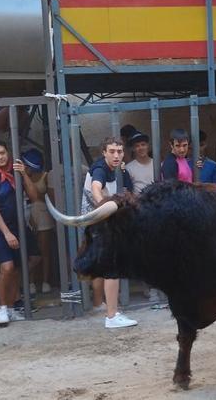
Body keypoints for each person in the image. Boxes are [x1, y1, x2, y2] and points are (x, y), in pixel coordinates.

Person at [0, 140, 41, 325]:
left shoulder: (16, 171)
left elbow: (34, 197)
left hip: (18, 225)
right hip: (0, 228)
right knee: (6, 267)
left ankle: (13, 307)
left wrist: (23, 173)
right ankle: (2, 308)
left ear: (8, 152)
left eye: (2, 153)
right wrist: (7, 233)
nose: (0, 157)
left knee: (17, 268)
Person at [81, 137, 137, 329]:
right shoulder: (100, 169)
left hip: (100, 225)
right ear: (103, 152)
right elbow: (97, 188)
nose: (116, 155)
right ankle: (112, 316)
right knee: (112, 268)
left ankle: (102, 306)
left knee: (104, 268)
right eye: (112, 151)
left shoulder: (115, 170)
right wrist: (103, 204)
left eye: (119, 151)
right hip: (99, 225)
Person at [22, 148, 53, 295]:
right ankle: (31, 282)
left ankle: (46, 281)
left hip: (43, 214)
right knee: (31, 251)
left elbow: (48, 198)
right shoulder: (21, 177)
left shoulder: (46, 176)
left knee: (44, 250)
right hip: (27, 214)